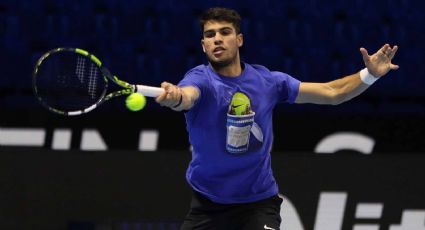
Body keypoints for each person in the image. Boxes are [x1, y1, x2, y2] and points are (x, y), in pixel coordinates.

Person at [155, 7, 399, 230]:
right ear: (203, 45)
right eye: (209, 35)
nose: (216, 38)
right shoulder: (200, 79)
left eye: (224, 32)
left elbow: (332, 93)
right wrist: (176, 97)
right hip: (207, 203)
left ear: (239, 40)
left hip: (258, 204)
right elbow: (187, 95)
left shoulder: (268, 82)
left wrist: (370, 75)